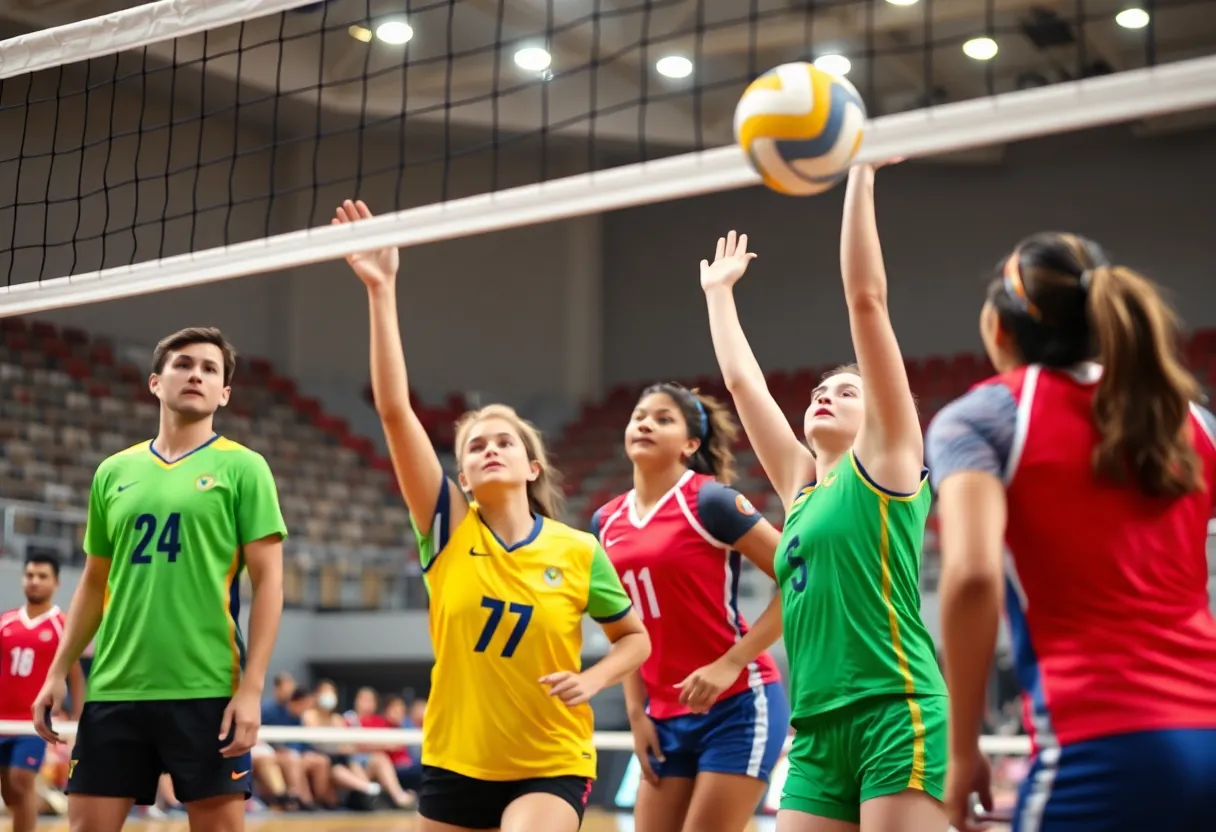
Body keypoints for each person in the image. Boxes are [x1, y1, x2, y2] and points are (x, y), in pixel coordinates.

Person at [334, 198, 651, 832]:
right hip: (455, 761)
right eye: (476, 445)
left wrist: (594, 682)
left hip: (550, 759)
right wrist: (382, 289)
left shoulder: (577, 550)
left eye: (506, 440)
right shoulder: (449, 528)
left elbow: (635, 639)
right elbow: (395, 411)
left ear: (532, 467)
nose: (491, 448)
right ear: (464, 477)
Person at [925, 232, 1216, 831]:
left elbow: (974, 575)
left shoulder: (983, 419)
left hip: (1101, 745)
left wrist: (960, 751)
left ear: (997, 329)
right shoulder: (1188, 419)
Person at [701, 162, 948, 831]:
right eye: (818, 390)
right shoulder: (801, 486)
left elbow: (866, 300)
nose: (823, 395)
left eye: (845, 391)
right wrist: (719, 293)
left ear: (882, 416)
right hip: (814, 729)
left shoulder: (892, 463)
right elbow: (743, 385)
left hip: (895, 711)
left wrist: (859, 176)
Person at [32, 326, 287, 832]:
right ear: (155, 382)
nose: (196, 374)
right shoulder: (113, 471)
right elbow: (93, 582)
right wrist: (57, 670)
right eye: (183, 364)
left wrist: (253, 688)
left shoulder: (245, 468)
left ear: (224, 393)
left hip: (208, 687)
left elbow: (270, 585)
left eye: (209, 369)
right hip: (115, 688)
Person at [592, 381, 789, 831]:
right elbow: (623, 626)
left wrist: (730, 663)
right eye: (639, 415)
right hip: (661, 717)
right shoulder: (605, 521)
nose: (645, 423)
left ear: (690, 444)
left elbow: (800, 580)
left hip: (737, 704)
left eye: (663, 418)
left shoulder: (710, 501)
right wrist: (636, 714)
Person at [1, 554, 85, 832]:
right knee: (10, 792)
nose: (35, 581)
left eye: (42, 576)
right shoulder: (6, 622)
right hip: (3, 721)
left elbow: (75, 677)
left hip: (33, 724)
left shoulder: (63, 625)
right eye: (30, 575)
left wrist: (79, 722)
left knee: (20, 779)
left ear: (57, 582)